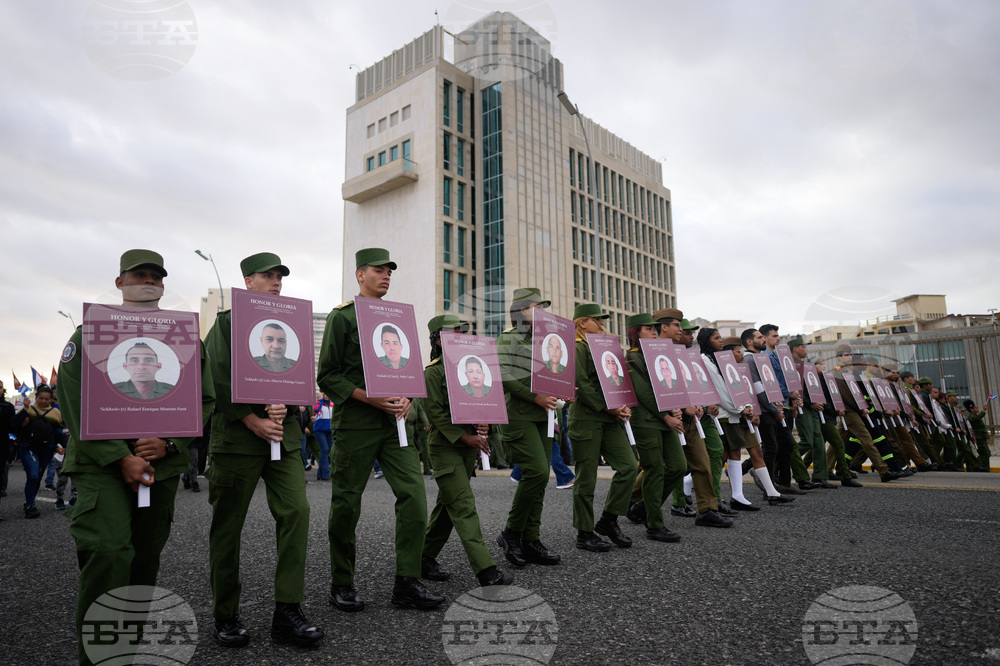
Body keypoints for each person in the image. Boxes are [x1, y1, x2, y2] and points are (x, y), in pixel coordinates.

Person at [59, 249, 216, 665]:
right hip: (101, 467)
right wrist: (119, 456)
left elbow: (203, 399)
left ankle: (122, 654)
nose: (148, 282)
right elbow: (73, 402)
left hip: (159, 467)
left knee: (144, 566)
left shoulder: (186, 339)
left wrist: (170, 444)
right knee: (110, 555)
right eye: (139, 275)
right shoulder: (89, 332)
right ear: (120, 283)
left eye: (155, 276)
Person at [205, 252, 323, 648]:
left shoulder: (292, 325)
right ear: (247, 282)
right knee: (228, 526)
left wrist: (290, 404)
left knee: (297, 512)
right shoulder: (227, 323)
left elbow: (298, 375)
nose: (276, 283)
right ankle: (225, 613)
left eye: (279, 278)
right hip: (239, 439)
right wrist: (251, 419)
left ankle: (287, 610)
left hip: (284, 437)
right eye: (267, 276)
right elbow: (216, 378)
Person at [318, 248, 444, 610]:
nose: (386, 275)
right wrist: (368, 398)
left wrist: (407, 397)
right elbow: (327, 376)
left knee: (414, 496)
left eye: (389, 270)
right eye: (379, 270)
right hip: (357, 423)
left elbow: (406, 370)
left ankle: (406, 581)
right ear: (360, 274)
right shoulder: (342, 318)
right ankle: (341, 582)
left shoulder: (399, 319)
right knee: (346, 503)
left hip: (396, 426)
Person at [421, 313, 514, 587]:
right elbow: (434, 413)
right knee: (463, 507)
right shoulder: (434, 372)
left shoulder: (470, 369)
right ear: (439, 340)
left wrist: (484, 422)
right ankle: (485, 569)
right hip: (446, 446)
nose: (462, 338)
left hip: (466, 447)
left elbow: (483, 400)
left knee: (447, 508)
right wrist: (463, 436)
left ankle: (423, 558)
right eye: (455, 333)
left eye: (464, 333)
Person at [495, 287, 563, 567]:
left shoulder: (547, 341)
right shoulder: (508, 338)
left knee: (541, 478)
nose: (543, 311)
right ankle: (511, 533)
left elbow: (553, 373)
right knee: (535, 471)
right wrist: (535, 396)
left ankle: (531, 539)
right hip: (520, 415)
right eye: (538, 306)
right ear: (523, 310)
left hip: (543, 417)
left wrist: (561, 395)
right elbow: (502, 373)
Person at [569, 303, 638, 552]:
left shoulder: (602, 348)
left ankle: (608, 520)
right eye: (596, 320)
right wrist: (608, 407)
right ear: (581, 323)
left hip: (609, 418)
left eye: (602, 320)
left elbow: (616, 379)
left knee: (629, 467)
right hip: (587, 418)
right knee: (586, 478)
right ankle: (584, 532)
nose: (601, 324)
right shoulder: (577, 347)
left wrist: (623, 403)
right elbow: (581, 384)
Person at [623, 313, 684, 542]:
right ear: (635, 332)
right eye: (648, 329)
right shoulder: (632, 357)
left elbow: (668, 386)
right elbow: (643, 392)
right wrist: (666, 416)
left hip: (665, 419)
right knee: (654, 469)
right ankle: (655, 525)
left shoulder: (659, 355)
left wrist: (676, 408)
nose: (653, 332)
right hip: (646, 421)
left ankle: (644, 508)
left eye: (654, 329)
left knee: (678, 466)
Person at [14, 384, 62, 518]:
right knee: (33, 475)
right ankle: (30, 506)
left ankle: (30, 502)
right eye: (41, 398)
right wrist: (24, 411)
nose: (43, 401)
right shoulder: (27, 409)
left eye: (47, 399)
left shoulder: (55, 413)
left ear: (51, 399)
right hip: (28, 447)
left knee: (38, 477)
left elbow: (57, 433)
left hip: (47, 450)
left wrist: (60, 446)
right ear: (36, 397)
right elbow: (13, 425)